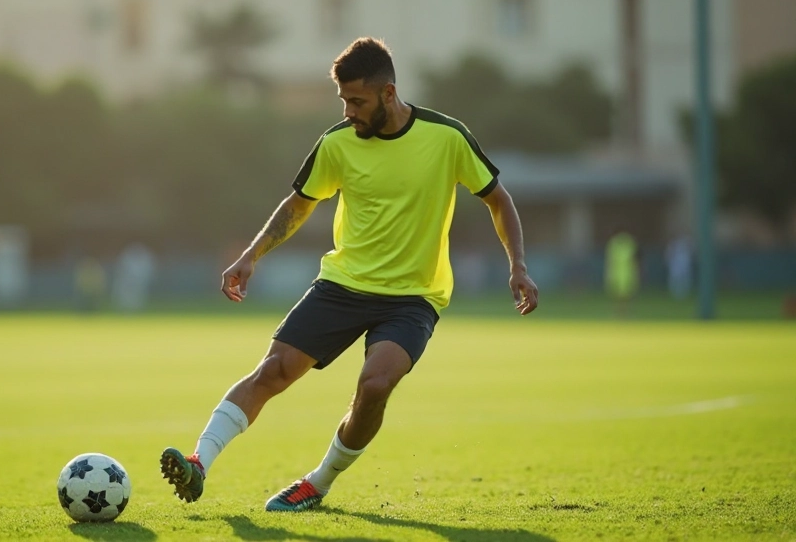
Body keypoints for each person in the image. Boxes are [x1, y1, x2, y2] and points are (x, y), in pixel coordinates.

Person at [160, 37, 539, 512]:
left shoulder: (447, 137)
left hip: (413, 297)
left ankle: (316, 484)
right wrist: (252, 255)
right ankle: (198, 463)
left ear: (387, 93)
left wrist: (518, 265)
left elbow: (497, 199)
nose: (348, 112)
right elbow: (299, 204)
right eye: (343, 101)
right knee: (272, 371)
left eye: (357, 101)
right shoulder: (337, 143)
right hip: (342, 285)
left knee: (375, 385)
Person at [605, 230, 639, 317]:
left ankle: (625, 311)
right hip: (617, 272)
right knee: (618, 293)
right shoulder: (614, 244)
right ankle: (619, 311)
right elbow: (610, 260)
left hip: (627, 272)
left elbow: (634, 259)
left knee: (627, 293)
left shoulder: (629, 244)